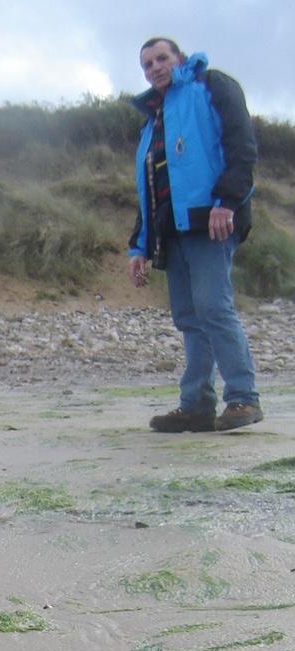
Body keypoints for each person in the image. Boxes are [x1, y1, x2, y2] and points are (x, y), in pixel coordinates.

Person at [128, 37, 263, 432]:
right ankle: (196, 405)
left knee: (213, 308)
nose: (154, 67)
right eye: (147, 64)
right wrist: (138, 246)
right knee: (189, 317)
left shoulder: (212, 86)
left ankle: (242, 398)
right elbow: (148, 187)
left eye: (161, 58)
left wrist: (227, 201)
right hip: (171, 230)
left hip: (211, 219)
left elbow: (241, 148)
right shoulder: (152, 120)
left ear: (179, 59)